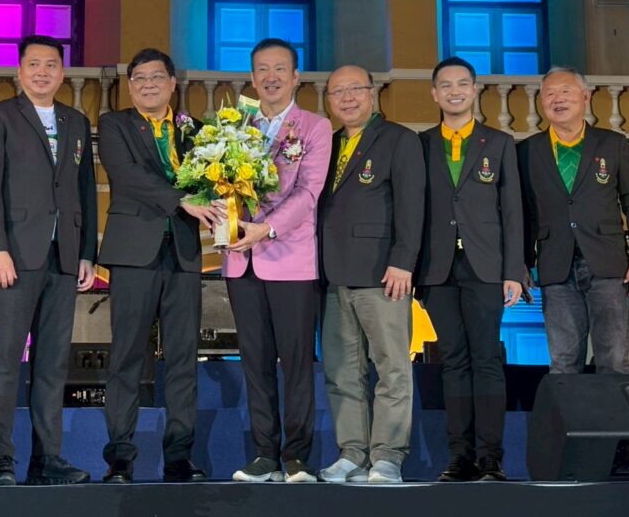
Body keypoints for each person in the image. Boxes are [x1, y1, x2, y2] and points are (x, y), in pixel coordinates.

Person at [0, 34, 97, 486]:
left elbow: (85, 191)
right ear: (19, 71)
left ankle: (47, 459)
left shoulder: (76, 121)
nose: (42, 72)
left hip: (63, 257)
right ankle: (0, 459)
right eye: (34, 64)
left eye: (51, 65)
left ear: (62, 73)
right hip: (15, 256)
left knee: (52, 363)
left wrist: (86, 253)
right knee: (5, 361)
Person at [97, 47, 222, 484]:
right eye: (139, 79)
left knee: (184, 358)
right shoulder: (114, 125)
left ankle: (179, 456)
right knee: (127, 356)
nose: (147, 85)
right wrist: (181, 199)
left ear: (172, 84)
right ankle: (120, 458)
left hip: (184, 253)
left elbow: (210, 183)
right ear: (130, 86)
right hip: (133, 253)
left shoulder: (197, 130)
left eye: (156, 77)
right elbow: (127, 175)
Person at [224, 37, 332, 483]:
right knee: (255, 362)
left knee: (296, 362)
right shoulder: (236, 125)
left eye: (280, 69)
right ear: (252, 78)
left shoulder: (315, 127)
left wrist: (265, 229)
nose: (271, 77)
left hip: (291, 259)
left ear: (295, 77)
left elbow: (309, 192)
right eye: (262, 70)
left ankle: (297, 456)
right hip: (240, 262)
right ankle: (264, 455)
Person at [417, 57, 523, 482]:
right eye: (445, 85)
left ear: (475, 90)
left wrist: (514, 270)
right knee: (453, 361)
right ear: (434, 94)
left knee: (487, 360)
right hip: (436, 268)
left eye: (463, 83)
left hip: (486, 267)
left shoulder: (499, 143)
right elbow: (411, 212)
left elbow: (512, 212)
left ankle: (490, 457)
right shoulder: (420, 144)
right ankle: (459, 456)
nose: (454, 91)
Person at [317, 64, 424, 484]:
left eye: (355, 89)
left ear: (372, 92)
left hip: (383, 273)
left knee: (392, 369)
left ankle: (387, 457)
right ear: (328, 100)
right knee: (342, 372)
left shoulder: (399, 139)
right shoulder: (326, 144)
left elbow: (412, 206)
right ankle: (352, 454)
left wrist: (403, 260)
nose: (346, 98)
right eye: (337, 92)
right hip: (332, 274)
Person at [519, 66, 629, 375]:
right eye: (549, 94)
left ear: (585, 97)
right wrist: (521, 262)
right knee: (563, 362)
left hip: (607, 264)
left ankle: (613, 411)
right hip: (555, 266)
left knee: (614, 360)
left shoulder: (612, 144)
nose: (557, 99)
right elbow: (522, 212)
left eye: (565, 91)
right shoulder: (525, 151)